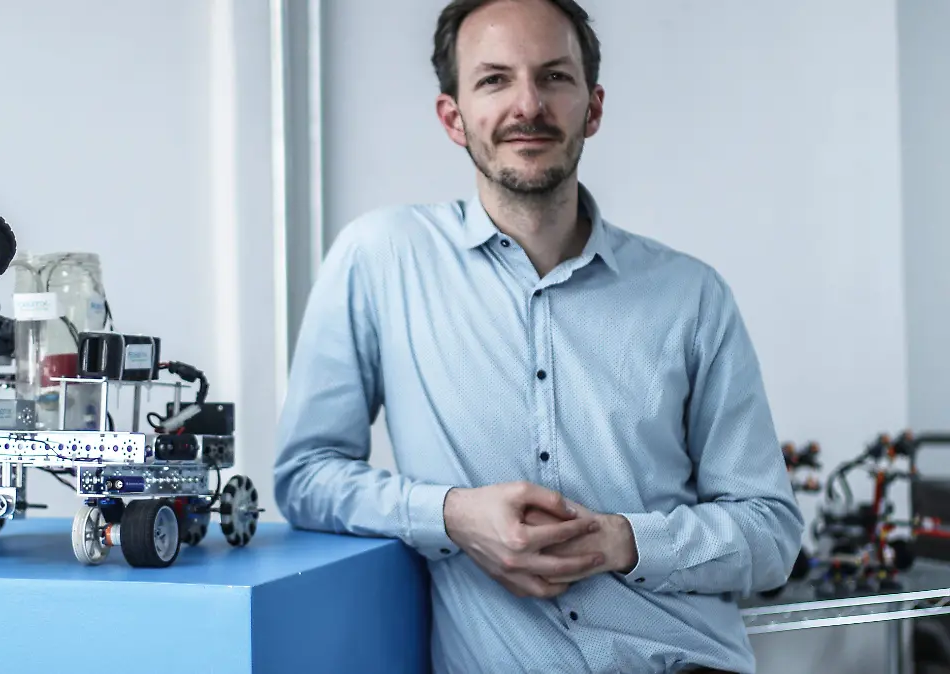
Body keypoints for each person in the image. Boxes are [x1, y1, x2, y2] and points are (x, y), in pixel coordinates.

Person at [272, 0, 804, 672]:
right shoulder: (380, 260)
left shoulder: (692, 295)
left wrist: (624, 542)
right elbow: (307, 475)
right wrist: (451, 515)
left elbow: (771, 533)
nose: (528, 105)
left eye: (554, 76)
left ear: (593, 108)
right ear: (453, 117)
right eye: (494, 79)